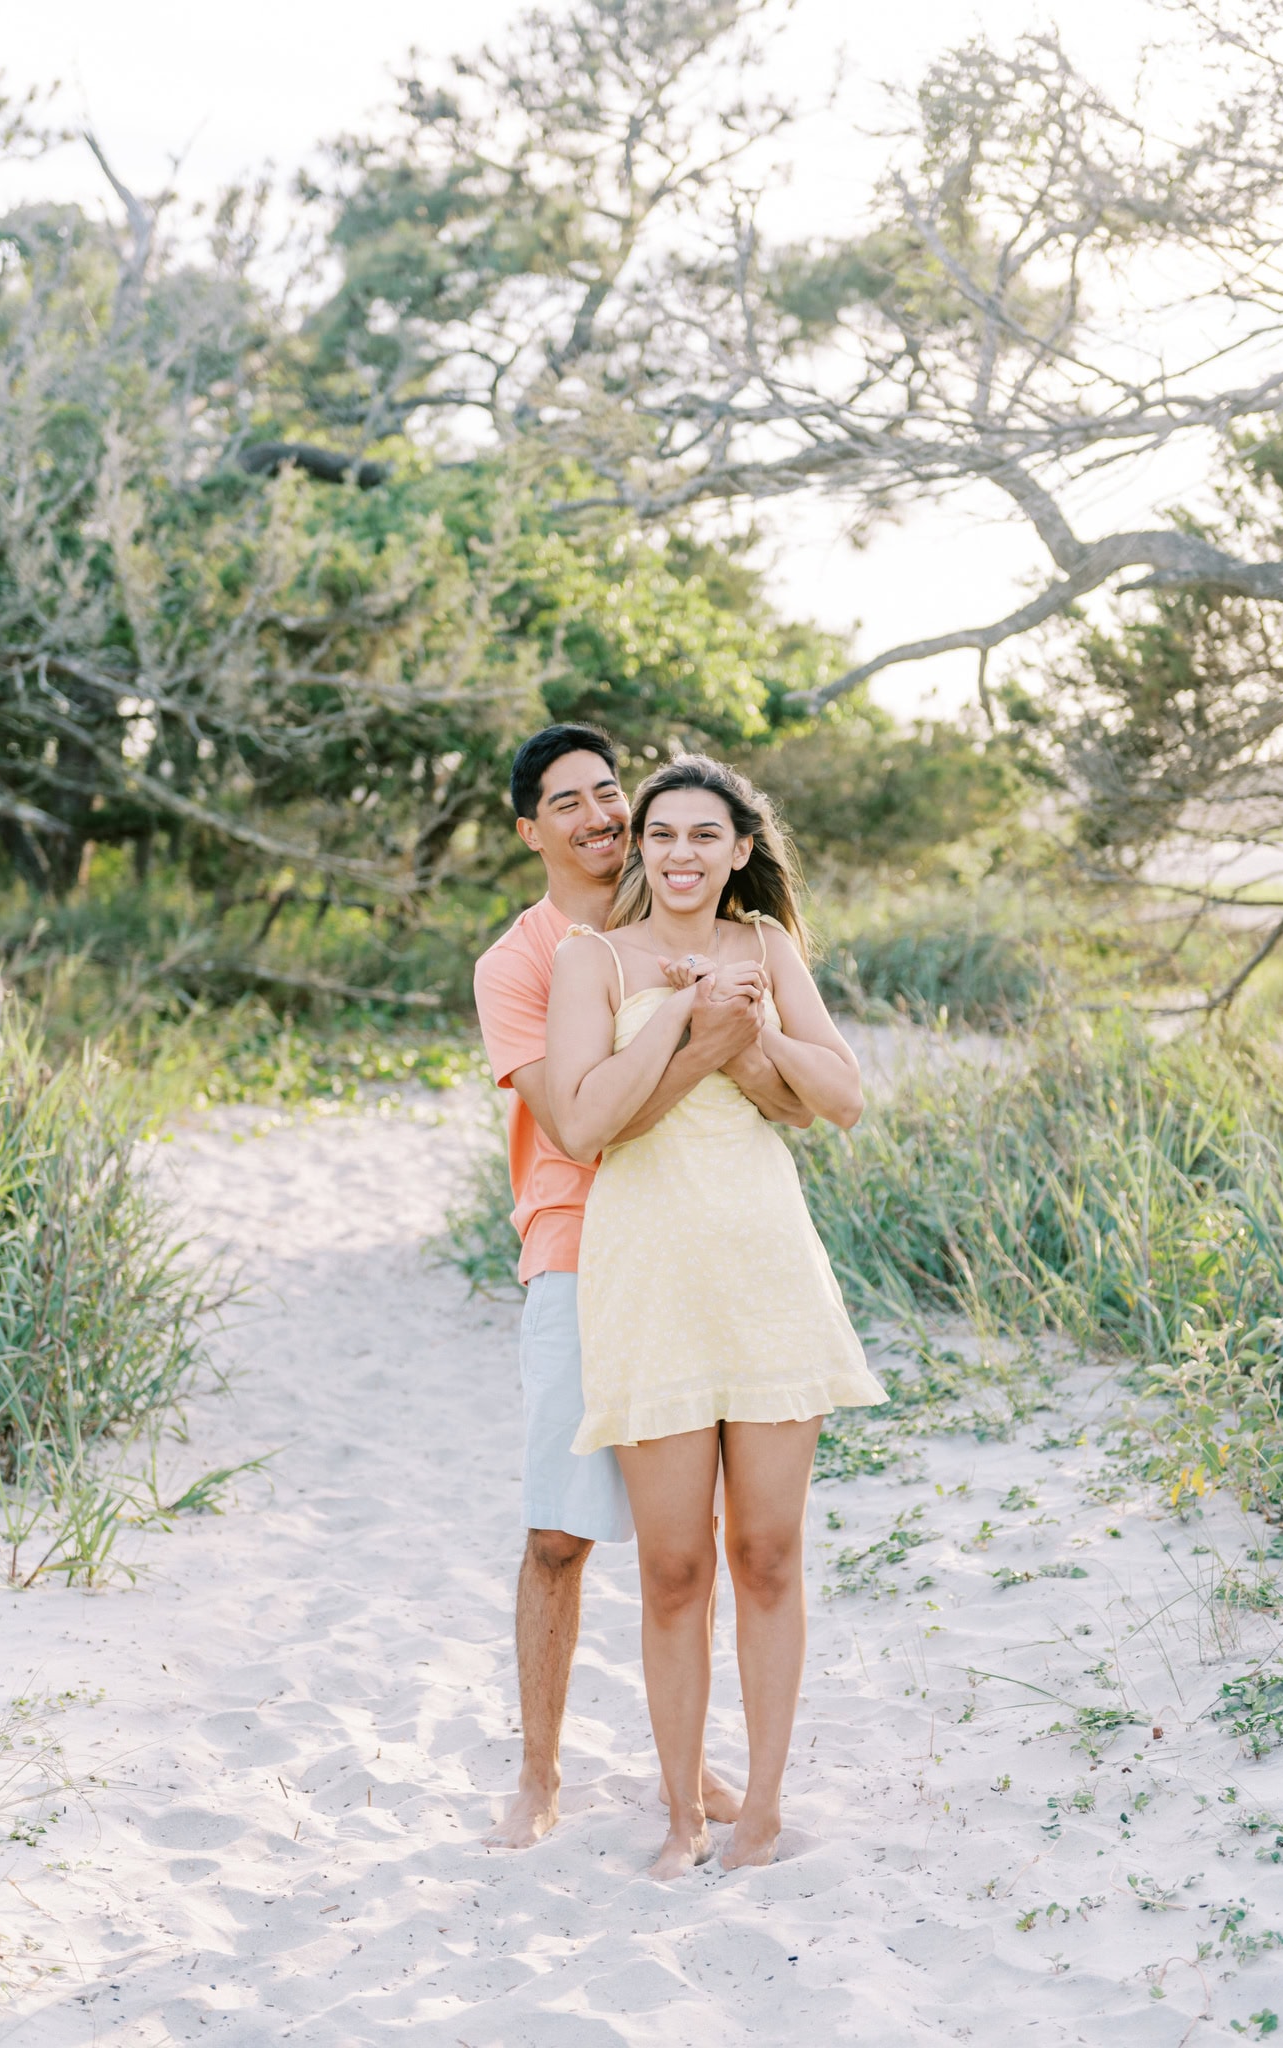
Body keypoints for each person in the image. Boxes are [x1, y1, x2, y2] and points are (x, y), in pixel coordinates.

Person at [545, 753, 888, 1879]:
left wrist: (753, 1038)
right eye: (660, 834)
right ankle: (685, 1812)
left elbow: (838, 1096)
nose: (680, 853)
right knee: (675, 1569)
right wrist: (687, 1027)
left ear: (740, 848)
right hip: (646, 1274)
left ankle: (762, 1811)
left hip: (765, 1266)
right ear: (637, 847)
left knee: (769, 1552)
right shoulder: (590, 958)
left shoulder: (765, 947)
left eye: (704, 835)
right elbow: (588, 1121)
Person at [472, 724, 809, 1849]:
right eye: (567, 803)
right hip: (576, 1244)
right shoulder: (527, 960)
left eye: (610, 792)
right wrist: (704, 1035)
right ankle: (536, 1769)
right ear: (531, 832)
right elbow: (576, 1124)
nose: (598, 816)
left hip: (699, 1244)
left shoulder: (674, 924)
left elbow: (805, 1090)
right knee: (563, 1530)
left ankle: (694, 1761)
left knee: (699, 1538)